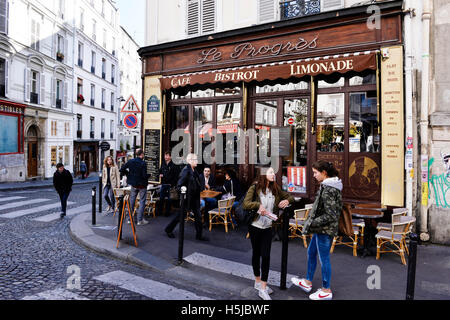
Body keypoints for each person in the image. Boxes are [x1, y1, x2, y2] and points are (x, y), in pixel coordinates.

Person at [291, 160, 342, 300]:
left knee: (324, 258)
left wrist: (312, 223)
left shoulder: (329, 188)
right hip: (321, 229)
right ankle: (307, 282)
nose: (313, 175)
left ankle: (326, 290)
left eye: (315, 172)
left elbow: (331, 215)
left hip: (324, 230)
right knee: (311, 252)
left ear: (324, 173)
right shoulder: (328, 186)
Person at [243, 167, 294, 300]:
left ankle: (263, 288)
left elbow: (290, 196)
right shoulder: (255, 188)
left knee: (266, 256)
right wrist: (257, 206)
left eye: (273, 172)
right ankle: (257, 281)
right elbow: (246, 204)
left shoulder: (276, 189)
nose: (274, 174)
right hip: (255, 226)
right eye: (271, 172)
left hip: (268, 227)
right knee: (256, 253)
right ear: (263, 174)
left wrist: (287, 201)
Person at [165, 153, 209, 241]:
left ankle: (199, 235)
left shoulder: (194, 170)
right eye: (195, 160)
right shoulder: (186, 170)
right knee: (180, 216)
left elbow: (197, 183)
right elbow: (179, 186)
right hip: (187, 198)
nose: (197, 161)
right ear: (190, 161)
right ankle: (168, 229)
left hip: (195, 198)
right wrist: (184, 194)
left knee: (198, 217)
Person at [119, 149, 150, 226]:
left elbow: (122, 169)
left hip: (133, 184)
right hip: (142, 185)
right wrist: (149, 175)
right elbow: (144, 175)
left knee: (132, 201)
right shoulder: (143, 163)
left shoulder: (131, 161)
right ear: (142, 154)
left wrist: (128, 174)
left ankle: (129, 219)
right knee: (142, 201)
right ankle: (140, 220)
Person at [158, 151, 180, 216]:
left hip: (170, 184)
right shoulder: (163, 163)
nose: (166, 157)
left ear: (170, 157)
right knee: (161, 198)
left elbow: (176, 175)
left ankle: (167, 212)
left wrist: (173, 183)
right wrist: (160, 174)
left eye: (167, 155)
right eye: (165, 155)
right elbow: (160, 171)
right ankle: (160, 212)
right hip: (164, 184)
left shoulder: (174, 165)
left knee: (169, 199)